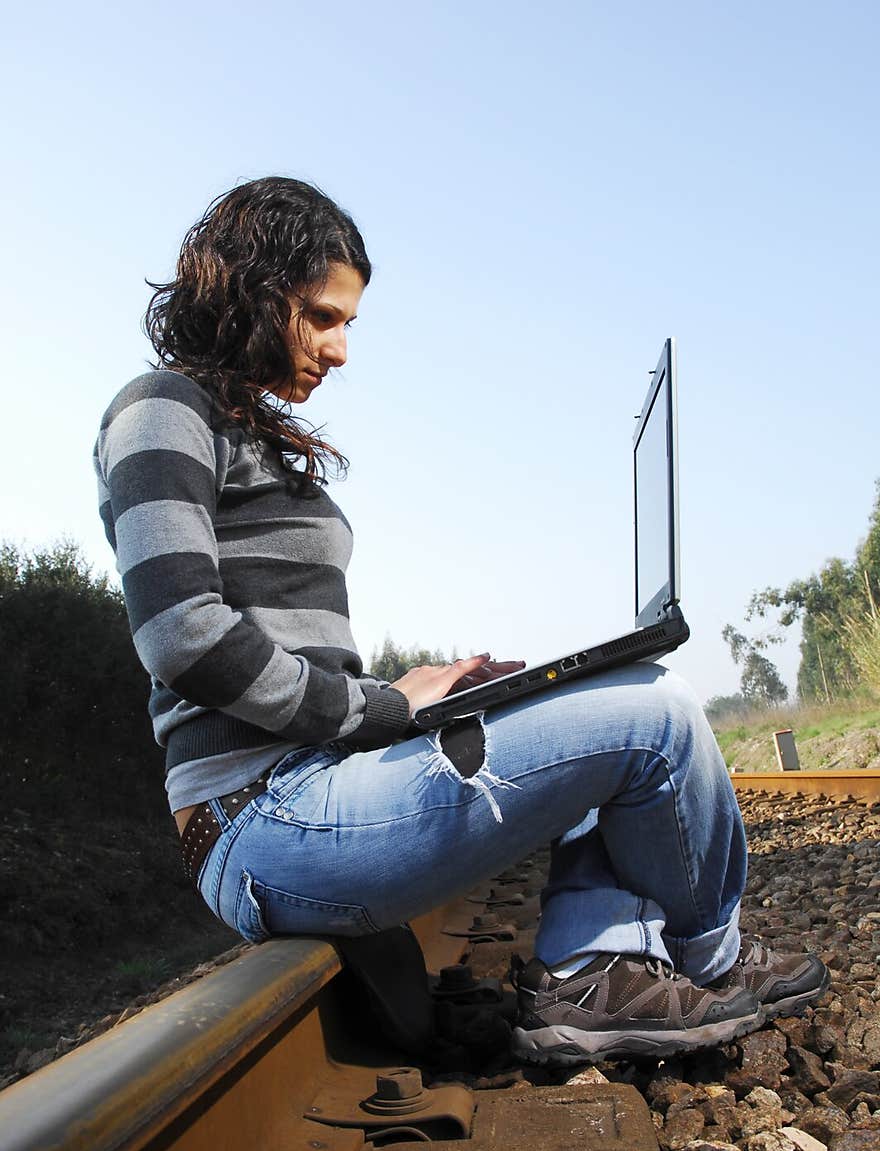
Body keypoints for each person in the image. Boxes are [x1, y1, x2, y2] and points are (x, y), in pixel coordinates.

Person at [93, 175, 828, 1065]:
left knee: (605, 696)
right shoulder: (160, 407)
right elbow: (184, 634)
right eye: (324, 316)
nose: (340, 349)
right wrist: (380, 711)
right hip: (260, 818)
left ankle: (598, 967)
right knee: (659, 717)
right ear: (253, 288)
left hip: (310, 787)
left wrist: (408, 693)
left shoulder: (251, 433)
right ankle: (710, 960)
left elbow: (282, 653)